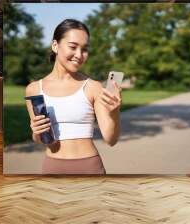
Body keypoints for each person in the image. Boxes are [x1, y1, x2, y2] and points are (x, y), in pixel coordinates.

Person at [25, 19, 122, 174]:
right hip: (52, 167)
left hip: (90, 167)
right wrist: (37, 132)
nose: (79, 55)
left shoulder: (93, 87)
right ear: (55, 45)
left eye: (84, 49)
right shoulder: (34, 89)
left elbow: (111, 140)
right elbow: (40, 139)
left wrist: (115, 113)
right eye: (73, 47)